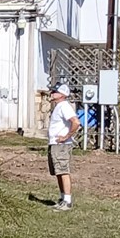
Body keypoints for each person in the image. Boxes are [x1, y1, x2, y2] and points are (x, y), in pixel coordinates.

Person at [42, 81, 81, 209]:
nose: (52, 93)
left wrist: (66, 136)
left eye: (55, 91)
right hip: (54, 144)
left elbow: (75, 122)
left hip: (61, 145)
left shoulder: (64, 106)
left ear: (62, 94)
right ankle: (62, 198)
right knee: (58, 171)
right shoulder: (58, 107)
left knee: (63, 171)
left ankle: (68, 201)